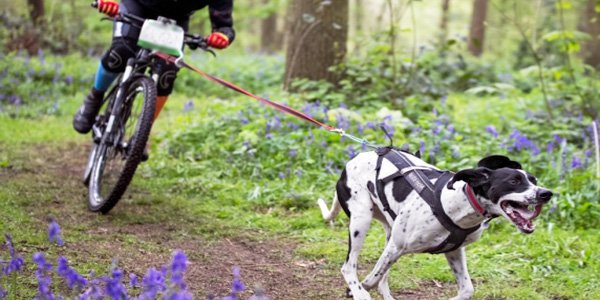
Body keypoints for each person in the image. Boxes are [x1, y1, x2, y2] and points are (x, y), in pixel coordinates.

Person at [73, 0, 235, 134]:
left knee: (167, 73)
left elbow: (224, 26)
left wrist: (222, 36)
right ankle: (95, 97)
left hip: (175, 21)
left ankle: (142, 133)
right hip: (136, 6)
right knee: (121, 52)